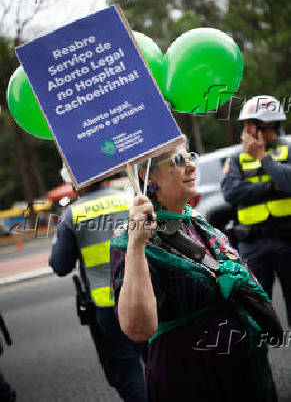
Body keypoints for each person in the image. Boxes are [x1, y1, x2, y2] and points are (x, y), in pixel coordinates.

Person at [110, 140, 278, 402]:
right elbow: (138, 329)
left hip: (241, 370)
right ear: (148, 176)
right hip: (190, 377)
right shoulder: (130, 239)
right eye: (178, 161)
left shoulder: (196, 220)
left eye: (190, 156)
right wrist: (136, 246)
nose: (190, 165)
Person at [49, 169, 147, 402]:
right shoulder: (130, 200)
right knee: (156, 363)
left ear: (75, 181)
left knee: (128, 374)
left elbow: (60, 265)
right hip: (145, 297)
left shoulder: (72, 214)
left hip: (107, 307)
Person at [221, 95, 291, 327]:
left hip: (288, 241)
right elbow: (231, 193)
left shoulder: (288, 149)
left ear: (268, 124)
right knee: (254, 317)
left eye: (251, 122)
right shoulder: (236, 158)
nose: (246, 128)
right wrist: (271, 186)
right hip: (253, 245)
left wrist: (262, 157)